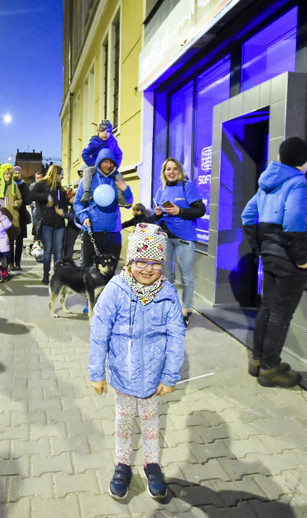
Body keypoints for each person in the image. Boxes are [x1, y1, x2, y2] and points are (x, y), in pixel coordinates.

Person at [88, 223, 185, 500]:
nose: (148, 268)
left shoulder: (167, 294)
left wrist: (169, 376)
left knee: (152, 422)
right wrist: (97, 372)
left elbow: (176, 335)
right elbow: (99, 332)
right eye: (141, 261)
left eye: (155, 263)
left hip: (153, 378)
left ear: (163, 265)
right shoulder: (115, 290)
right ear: (130, 262)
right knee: (123, 422)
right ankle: (122, 464)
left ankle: (152, 463)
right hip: (123, 376)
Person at [241, 137, 307, 388]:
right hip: (289, 257)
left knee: (267, 309)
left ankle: (258, 361)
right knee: (281, 314)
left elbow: (247, 215)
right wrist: (303, 259)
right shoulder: (298, 184)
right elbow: (295, 222)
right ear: (304, 161)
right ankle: (270, 370)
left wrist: (260, 246)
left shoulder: (267, 184)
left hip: (270, 256)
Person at [153, 158, 206, 326]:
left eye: (174, 168)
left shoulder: (186, 186)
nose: (171, 172)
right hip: (165, 237)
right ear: (164, 172)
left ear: (179, 171)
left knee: (186, 276)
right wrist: (158, 213)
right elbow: (157, 217)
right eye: (168, 169)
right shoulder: (161, 190)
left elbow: (200, 210)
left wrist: (180, 210)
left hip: (184, 238)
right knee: (166, 276)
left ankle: (184, 311)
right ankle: (170, 309)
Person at [73, 147, 134, 267]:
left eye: (111, 162)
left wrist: (125, 189)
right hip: (94, 231)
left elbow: (128, 203)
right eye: (105, 162)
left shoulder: (118, 179)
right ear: (99, 162)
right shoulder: (89, 179)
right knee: (90, 270)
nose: (109, 165)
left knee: (110, 269)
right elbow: (77, 203)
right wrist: (84, 217)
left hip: (113, 232)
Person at [30, 165, 68, 285]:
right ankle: (46, 275)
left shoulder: (61, 189)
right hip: (46, 222)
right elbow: (31, 196)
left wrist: (65, 206)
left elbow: (64, 206)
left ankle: (56, 276)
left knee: (58, 252)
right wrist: (46, 196)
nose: (62, 177)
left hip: (59, 224)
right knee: (47, 251)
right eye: (61, 174)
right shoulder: (41, 184)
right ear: (55, 173)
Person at [80, 120, 130, 207]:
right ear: (98, 131)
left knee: (119, 176)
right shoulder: (94, 142)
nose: (105, 133)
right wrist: (92, 164)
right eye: (103, 131)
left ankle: (121, 198)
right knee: (87, 171)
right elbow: (85, 153)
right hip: (96, 168)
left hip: (109, 169)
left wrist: (115, 166)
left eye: (108, 131)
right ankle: (87, 193)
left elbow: (119, 154)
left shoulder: (113, 142)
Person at [0, 163, 23, 271]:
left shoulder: (14, 185)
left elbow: (20, 198)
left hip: (11, 217)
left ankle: (10, 263)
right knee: (0, 241)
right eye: (6, 174)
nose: (8, 176)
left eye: (10, 174)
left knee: (10, 240)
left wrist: (17, 203)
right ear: (1, 173)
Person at [13, 165, 32, 270]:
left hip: (21, 216)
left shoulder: (24, 185)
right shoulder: (9, 185)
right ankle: (10, 262)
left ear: (21, 174)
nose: (17, 175)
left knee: (19, 241)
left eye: (18, 173)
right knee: (10, 240)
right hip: (11, 215)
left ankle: (18, 262)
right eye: (15, 173)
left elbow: (28, 201)